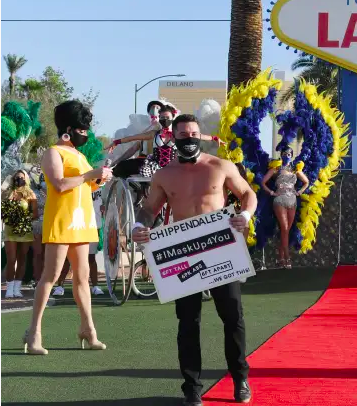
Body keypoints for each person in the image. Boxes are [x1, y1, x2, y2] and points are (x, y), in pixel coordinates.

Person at [131, 114, 257, 406]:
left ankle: (240, 377)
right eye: (183, 134)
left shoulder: (221, 166)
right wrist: (139, 227)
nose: (189, 138)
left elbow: (247, 194)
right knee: (188, 322)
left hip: (221, 249)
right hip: (183, 254)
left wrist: (245, 215)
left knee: (232, 317)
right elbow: (149, 209)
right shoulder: (164, 174)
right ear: (173, 137)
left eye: (194, 133)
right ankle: (192, 388)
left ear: (201, 136)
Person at [24, 100, 113, 355]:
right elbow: (60, 184)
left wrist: (99, 180)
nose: (85, 134)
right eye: (82, 129)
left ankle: (88, 330)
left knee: (82, 278)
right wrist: (88, 175)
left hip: (82, 221)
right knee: (50, 277)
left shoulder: (80, 155)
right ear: (68, 128)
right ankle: (34, 333)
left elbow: (85, 186)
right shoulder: (54, 152)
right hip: (62, 220)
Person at [108, 105, 220, 179]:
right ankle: (141, 192)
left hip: (174, 166)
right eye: (161, 117)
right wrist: (117, 142)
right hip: (155, 165)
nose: (164, 120)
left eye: (166, 117)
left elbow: (198, 136)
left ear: (173, 117)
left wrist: (214, 138)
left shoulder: (178, 134)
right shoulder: (154, 133)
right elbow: (132, 138)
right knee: (125, 166)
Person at [260, 146, 309, 269]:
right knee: (284, 227)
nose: (286, 156)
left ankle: (280, 259)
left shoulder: (295, 170)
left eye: (289, 154)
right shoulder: (275, 168)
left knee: (286, 230)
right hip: (279, 200)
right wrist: (272, 193)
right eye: (284, 154)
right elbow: (263, 182)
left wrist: (299, 192)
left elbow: (306, 182)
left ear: (291, 156)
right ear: (281, 155)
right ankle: (287, 258)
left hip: (292, 200)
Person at [3, 170, 38, 299]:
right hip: (10, 230)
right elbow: (3, 211)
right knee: (11, 259)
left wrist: (23, 217)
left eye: (22, 177)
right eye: (17, 177)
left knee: (22, 259)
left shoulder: (30, 194)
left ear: (26, 179)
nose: (19, 179)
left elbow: (35, 214)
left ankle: (17, 288)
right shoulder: (8, 192)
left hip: (24, 230)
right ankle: (9, 289)